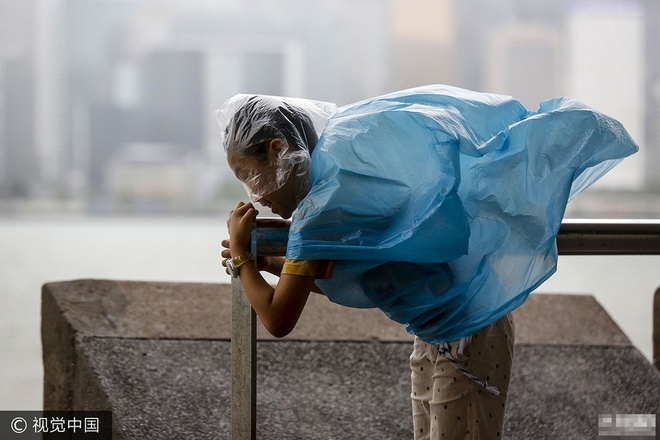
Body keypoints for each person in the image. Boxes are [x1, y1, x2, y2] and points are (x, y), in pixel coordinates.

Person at [217, 85, 638, 439]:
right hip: (444, 329)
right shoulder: (340, 178)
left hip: (467, 332)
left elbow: (278, 318)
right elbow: (368, 271)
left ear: (278, 150)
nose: (254, 194)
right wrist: (273, 264)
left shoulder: (319, 212)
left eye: (246, 174)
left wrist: (240, 256)